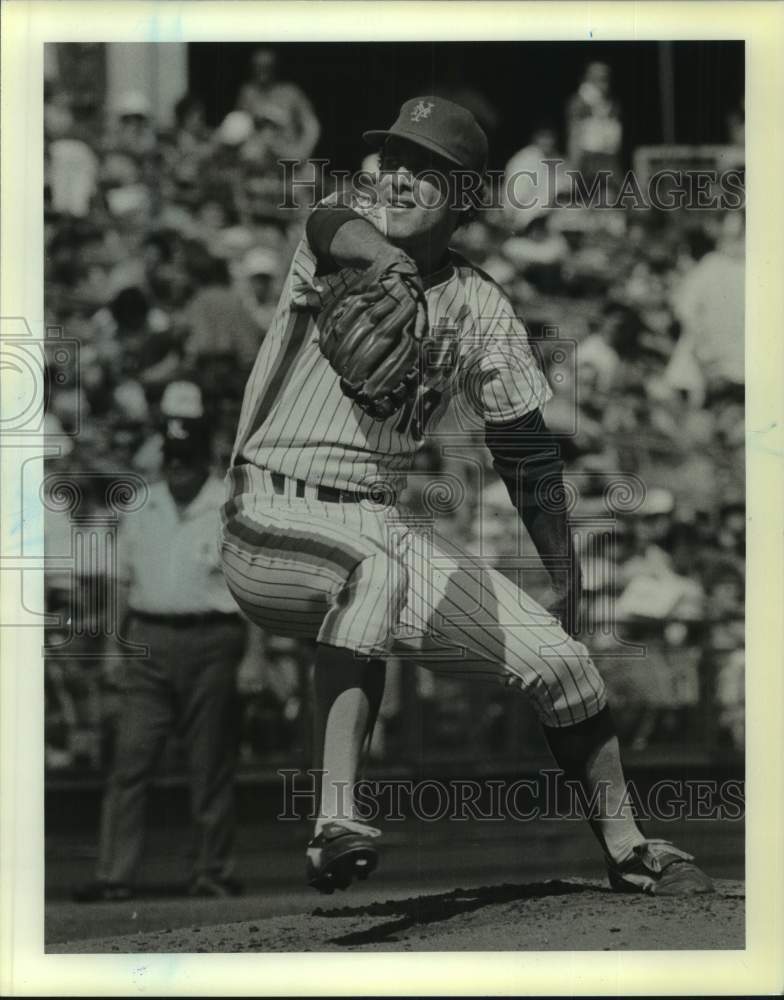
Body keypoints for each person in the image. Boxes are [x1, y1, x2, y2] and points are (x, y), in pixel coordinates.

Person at [220, 96, 713, 896]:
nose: (403, 181)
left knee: (564, 664)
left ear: (470, 196)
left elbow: (522, 448)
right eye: (398, 163)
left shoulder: (482, 305)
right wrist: (382, 264)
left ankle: (630, 848)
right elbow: (323, 220)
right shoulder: (346, 238)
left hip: (374, 525)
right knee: (368, 574)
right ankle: (334, 819)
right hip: (268, 517)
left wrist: (562, 566)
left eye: (429, 171)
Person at [74, 383, 247, 901]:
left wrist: (255, 656)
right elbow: (122, 581)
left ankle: (211, 871)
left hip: (213, 637)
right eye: (173, 458)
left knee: (210, 762)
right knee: (130, 760)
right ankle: (115, 876)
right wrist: (110, 645)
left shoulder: (227, 505)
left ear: (203, 458)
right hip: (147, 638)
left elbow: (248, 584)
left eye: (187, 459)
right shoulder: (142, 504)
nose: (179, 469)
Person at [236, 47, 321, 161]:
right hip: (258, 157)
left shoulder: (291, 92)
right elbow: (239, 126)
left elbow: (312, 126)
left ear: (275, 67)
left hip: (287, 153)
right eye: (257, 66)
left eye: (267, 66)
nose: (262, 71)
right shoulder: (248, 93)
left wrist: (302, 152)